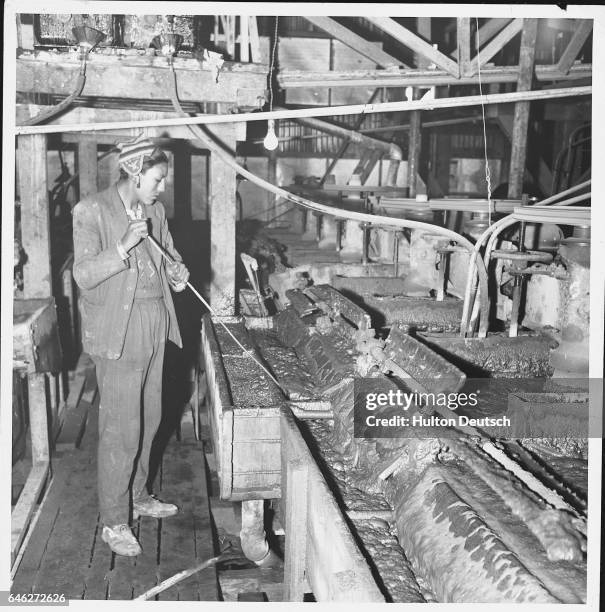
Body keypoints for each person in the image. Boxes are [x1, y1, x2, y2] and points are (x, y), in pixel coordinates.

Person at [72, 134, 190, 556]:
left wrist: (178, 274)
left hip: (156, 320)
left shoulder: (155, 211)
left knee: (152, 417)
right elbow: (83, 275)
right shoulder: (92, 211)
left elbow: (170, 258)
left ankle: (138, 495)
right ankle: (114, 520)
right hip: (119, 330)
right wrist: (123, 247)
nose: (162, 187)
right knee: (122, 429)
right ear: (135, 172)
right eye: (157, 179)